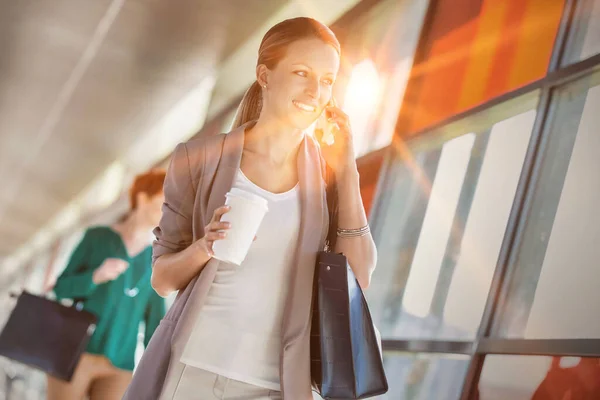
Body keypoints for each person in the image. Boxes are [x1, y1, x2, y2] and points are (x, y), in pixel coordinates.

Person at [126, 17, 377, 400]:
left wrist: (347, 170)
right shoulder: (197, 161)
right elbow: (162, 279)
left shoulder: (327, 178)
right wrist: (204, 246)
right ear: (265, 75)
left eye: (327, 80)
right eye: (301, 73)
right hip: (193, 369)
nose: (315, 90)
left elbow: (358, 274)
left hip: (276, 384)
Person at [48, 169, 167, 400]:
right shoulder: (97, 238)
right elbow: (61, 287)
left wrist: (157, 369)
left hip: (120, 365)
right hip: (75, 352)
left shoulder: (158, 258)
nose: (167, 209)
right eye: (164, 200)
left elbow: (156, 322)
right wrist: (95, 277)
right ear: (143, 198)